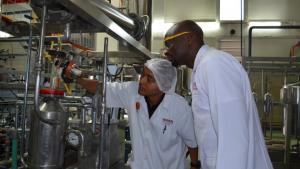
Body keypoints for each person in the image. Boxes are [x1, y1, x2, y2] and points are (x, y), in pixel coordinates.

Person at [163, 20, 274, 169]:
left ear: (188, 38)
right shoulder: (203, 67)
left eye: (170, 44)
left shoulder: (215, 65)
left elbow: (233, 137)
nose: (167, 52)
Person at [63, 58, 200, 169]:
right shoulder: (132, 92)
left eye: (150, 79)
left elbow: (192, 143)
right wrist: (77, 78)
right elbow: (102, 88)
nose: (142, 81)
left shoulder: (179, 108)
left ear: (163, 85)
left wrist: (194, 165)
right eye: (143, 75)